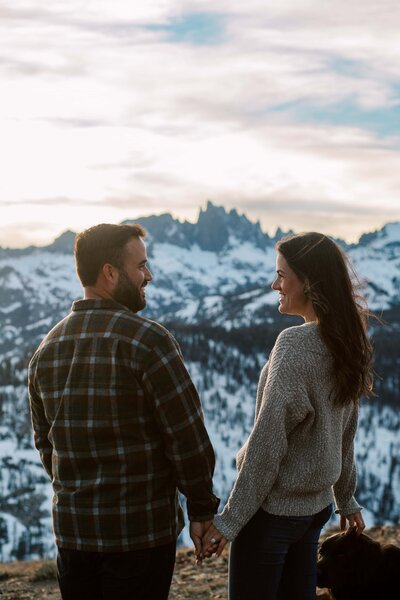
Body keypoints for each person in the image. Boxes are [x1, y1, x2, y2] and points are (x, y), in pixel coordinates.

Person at [28, 223, 219, 600]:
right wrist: (201, 509)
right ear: (110, 273)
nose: (149, 275)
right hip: (139, 538)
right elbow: (187, 439)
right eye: (141, 266)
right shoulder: (148, 341)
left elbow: (46, 447)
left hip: (74, 537)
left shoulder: (45, 351)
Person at [203, 232, 373, 600]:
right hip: (315, 511)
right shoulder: (346, 339)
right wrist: (346, 499)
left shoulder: (295, 345)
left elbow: (267, 443)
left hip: (273, 515)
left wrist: (230, 521)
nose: (274, 284)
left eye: (281, 275)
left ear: (308, 281)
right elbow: (346, 434)